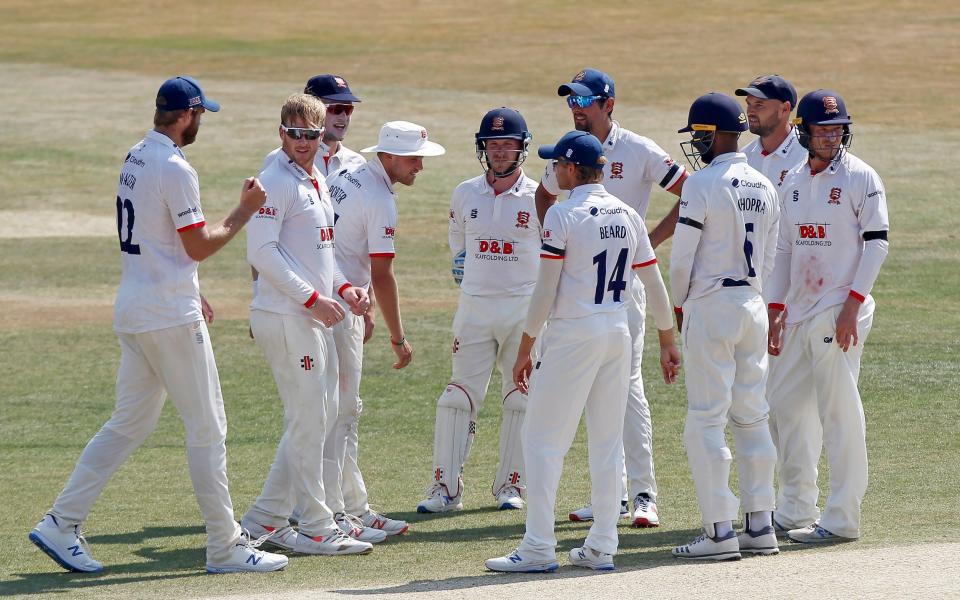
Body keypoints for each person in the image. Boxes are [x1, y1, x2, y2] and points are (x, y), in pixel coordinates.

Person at [28, 76, 287, 574]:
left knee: (129, 423)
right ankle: (225, 546)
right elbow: (196, 245)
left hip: (138, 307)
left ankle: (61, 522)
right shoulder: (173, 166)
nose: (202, 123)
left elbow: (155, 237)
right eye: (201, 115)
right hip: (168, 315)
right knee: (208, 427)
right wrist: (246, 210)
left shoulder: (135, 155)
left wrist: (189, 284)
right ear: (188, 115)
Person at [486, 131, 679, 573]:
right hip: (617, 330)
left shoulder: (563, 215)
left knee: (540, 441)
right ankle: (602, 546)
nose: (552, 171)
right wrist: (667, 338)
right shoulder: (627, 213)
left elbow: (545, 291)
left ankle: (537, 547)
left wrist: (525, 348)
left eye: (557, 164)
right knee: (607, 443)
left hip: (575, 334)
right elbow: (653, 281)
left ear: (572, 168)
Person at [538, 69, 688, 527]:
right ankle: (613, 495)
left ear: (609, 105)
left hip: (628, 292)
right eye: (571, 102)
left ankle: (643, 494)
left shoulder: (639, 149)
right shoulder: (567, 152)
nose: (576, 109)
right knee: (595, 389)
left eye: (584, 101)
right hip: (581, 295)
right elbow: (544, 199)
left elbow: (690, 193)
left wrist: (648, 244)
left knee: (628, 388)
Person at [240, 94, 376, 556]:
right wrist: (313, 299)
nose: (303, 142)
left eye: (311, 135)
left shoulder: (315, 176)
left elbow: (321, 253)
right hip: (285, 316)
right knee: (310, 418)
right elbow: (261, 252)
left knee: (313, 417)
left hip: (307, 313)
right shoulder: (274, 180)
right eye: (294, 133)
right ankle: (317, 525)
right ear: (281, 132)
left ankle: (267, 518)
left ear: (324, 136)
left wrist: (343, 289)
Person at [766, 90, 889, 544]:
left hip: (840, 309)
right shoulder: (792, 181)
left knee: (839, 413)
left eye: (836, 129)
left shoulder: (861, 177)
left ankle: (841, 519)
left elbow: (877, 243)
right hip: (799, 310)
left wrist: (851, 307)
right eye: (821, 130)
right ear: (803, 131)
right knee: (784, 407)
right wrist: (776, 310)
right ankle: (796, 506)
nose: (829, 137)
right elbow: (782, 251)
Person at [668, 93, 781, 561]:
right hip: (752, 303)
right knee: (752, 415)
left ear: (714, 135)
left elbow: (681, 258)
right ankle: (760, 525)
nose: (695, 142)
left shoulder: (703, 183)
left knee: (706, 420)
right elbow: (771, 260)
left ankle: (718, 534)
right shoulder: (765, 184)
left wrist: (678, 306)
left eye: (699, 135)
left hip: (711, 304)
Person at [323, 120, 445, 534]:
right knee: (338, 414)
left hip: (331, 300)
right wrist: (399, 337)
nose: (420, 168)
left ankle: (352, 505)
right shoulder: (379, 197)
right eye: (414, 159)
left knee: (344, 412)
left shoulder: (346, 172)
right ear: (389, 156)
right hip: (338, 308)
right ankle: (333, 513)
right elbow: (383, 274)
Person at [417, 108, 540, 513]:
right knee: (456, 397)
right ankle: (444, 489)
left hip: (522, 309)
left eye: (508, 144)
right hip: (473, 308)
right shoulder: (464, 192)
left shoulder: (539, 197)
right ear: (482, 146)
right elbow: (459, 242)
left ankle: (512, 486)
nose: (500, 151)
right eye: (493, 143)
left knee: (520, 397)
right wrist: (464, 264)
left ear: (522, 148)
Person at [262, 74, 366, 178]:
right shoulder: (280, 160)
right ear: (312, 108)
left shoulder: (357, 163)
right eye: (336, 109)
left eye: (348, 109)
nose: (343, 116)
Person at [735, 75, 807, 187]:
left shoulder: (808, 156)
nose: (750, 112)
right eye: (749, 104)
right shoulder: (744, 157)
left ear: (784, 109)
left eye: (759, 105)